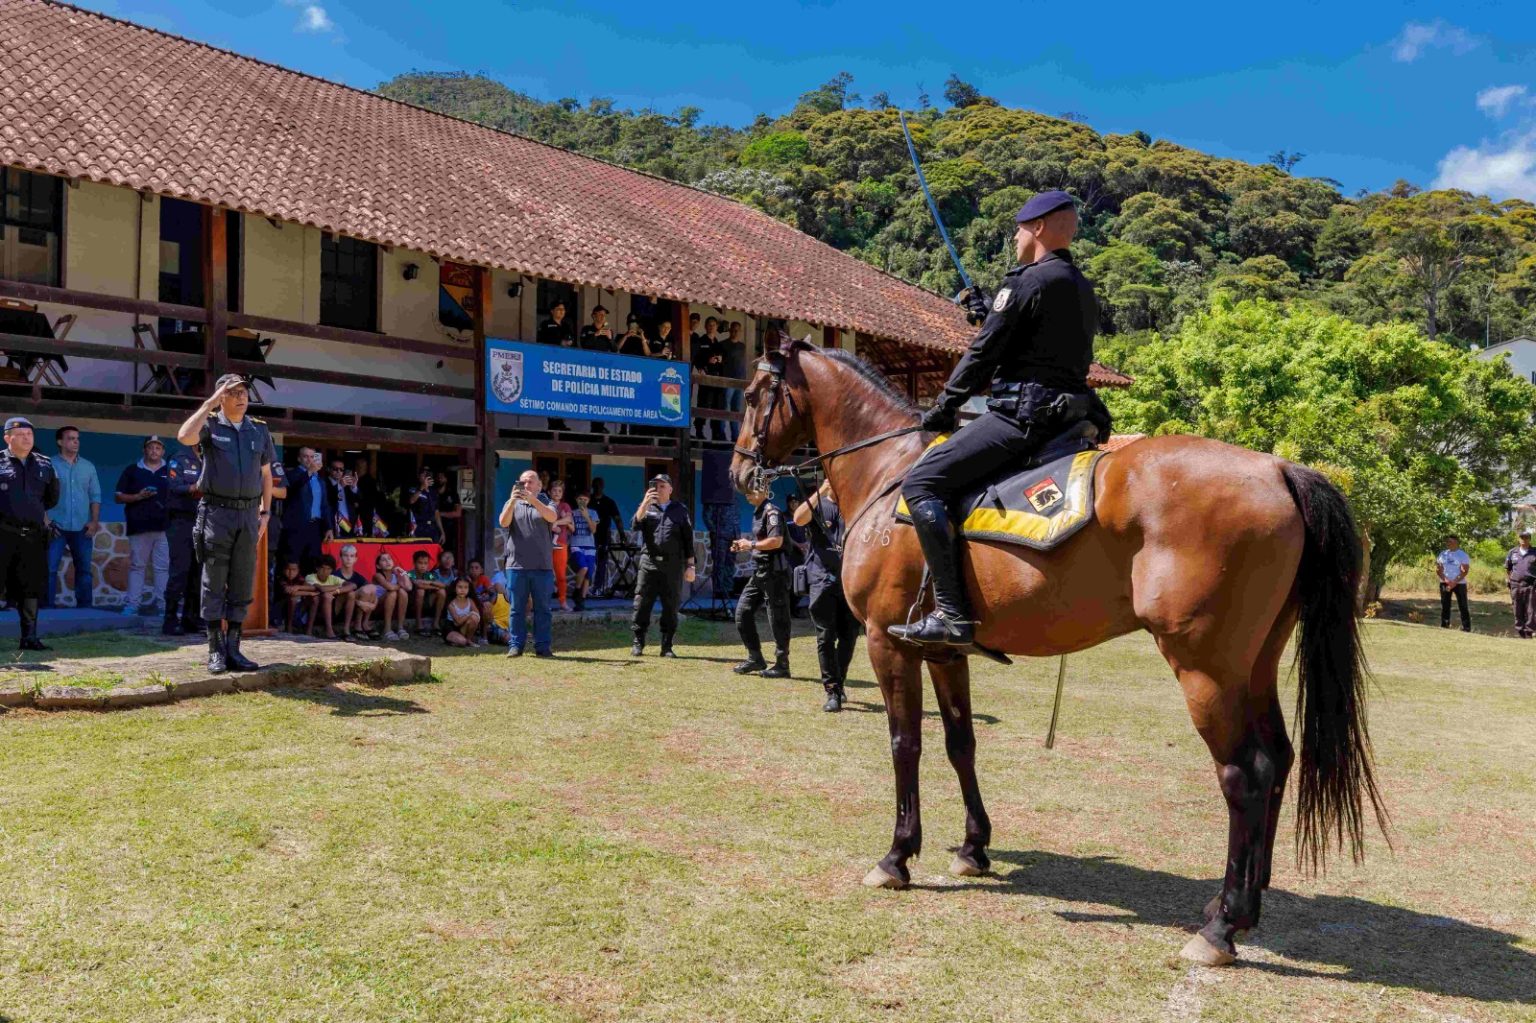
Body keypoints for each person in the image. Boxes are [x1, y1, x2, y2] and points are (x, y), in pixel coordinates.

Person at [893, 190, 1105, 648]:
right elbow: (1040, 343)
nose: (1014, 238)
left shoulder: (1026, 282)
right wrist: (990, 312)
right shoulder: (1080, 286)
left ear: (1038, 228)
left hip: (1021, 417)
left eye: (1019, 229)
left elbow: (983, 354)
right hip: (1067, 415)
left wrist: (944, 406)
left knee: (922, 483)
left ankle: (952, 615)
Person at [176, 373, 276, 674]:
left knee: (243, 580)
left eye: (243, 391)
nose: (241, 397)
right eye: (233, 392)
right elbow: (184, 436)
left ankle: (234, 648)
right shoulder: (209, 424)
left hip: (248, 515)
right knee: (214, 581)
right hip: (216, 514)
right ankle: (215, 650)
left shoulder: (258, 429)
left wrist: (265, 513)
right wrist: (209, 403)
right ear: (221, 397)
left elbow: (266, 475)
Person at [794, 481, 860, 712]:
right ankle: (832, 691)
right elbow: (798, 518)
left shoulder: (853, 505)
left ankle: (839, 682)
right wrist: (821, 490)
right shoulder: (820, 505)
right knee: (826, 637)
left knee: (850, 636)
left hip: (849, 581)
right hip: (821, 579)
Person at [0, 417, 59, 650]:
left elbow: (51, 498)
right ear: (7, 438)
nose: (27, 438)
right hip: (3, 534)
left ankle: (29, 638)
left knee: (30, 586)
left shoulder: (44, 464)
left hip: (32, 537)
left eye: (30, 434)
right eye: (21, 434)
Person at [629, 473, 696, 657]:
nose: (658, 489)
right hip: (649, 563)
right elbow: (634, 525)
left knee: (671, 606)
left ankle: (667, 646)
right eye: (655, 486)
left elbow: (688, 539)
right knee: (642, 603)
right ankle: (638, 642)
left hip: (672, 565)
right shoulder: (647, 507)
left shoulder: (680, 510)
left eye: (662, 486)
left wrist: (691, 565)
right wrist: (645, 503)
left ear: (670, 489)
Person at [732, 488, 792, 678]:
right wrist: (745, 544)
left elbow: (776, 541)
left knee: (778, 619)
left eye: (751, 490)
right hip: (760, 572)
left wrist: (750, 545)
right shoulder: (758, 512)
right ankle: (755, 658)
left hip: (775, 572)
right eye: (745, 491)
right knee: (742, 612)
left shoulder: (772, 512)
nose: (747, 494)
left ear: (764, 491)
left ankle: (782, 665)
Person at [498, 469, 558, 657]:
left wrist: (533, 500)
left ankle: (543, 646)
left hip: (542, 566)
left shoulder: (547, 502)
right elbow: (503, 522)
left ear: (539, 485)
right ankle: (516, 645)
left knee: (543, 609)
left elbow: (552, 517)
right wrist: (512, 501)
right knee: (516, 608)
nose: (526, 485)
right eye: (523, 481)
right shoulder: (512, 502)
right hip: (516, 565)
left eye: (530, 481)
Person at [115, 435, 171, 618]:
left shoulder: (170, 470)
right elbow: (118, 496)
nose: (154, 451)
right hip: (139, 527)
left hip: (165, 528)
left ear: (163, 451)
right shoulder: (132, 470)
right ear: (144, 450)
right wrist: (138, 496)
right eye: (150, 447)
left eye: (158, 448)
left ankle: (163, 607)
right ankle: (132, 606)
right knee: (137, 567)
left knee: (162, 569)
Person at [46, 425, 100, 610]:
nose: (76, 442)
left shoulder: (88, 466)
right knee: (50, 569)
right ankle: (47, 610)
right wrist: (46, 520)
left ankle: (85, 609)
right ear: (60, 442)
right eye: (71, 438)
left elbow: (95, 496)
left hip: (82, 526)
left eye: (77, 439)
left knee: (84, 570)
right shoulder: (49, 465)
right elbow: (39, 495)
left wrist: (94, 521)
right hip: (55, 526)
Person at [162, 441, 203, 635]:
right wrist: (197, 487)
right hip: (181, 521)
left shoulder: (212, 458)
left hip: (204, 521)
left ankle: (191, 618)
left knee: (198, 572)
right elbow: (175, 485)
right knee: (180, 570)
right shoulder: (179, 458)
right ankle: (170, 620)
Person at [279, 447, 332, 575]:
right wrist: (309, 472)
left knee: (312, 566)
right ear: (299, 459)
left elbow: (324, 505)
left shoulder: (320, 480)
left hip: (315, 528)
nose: (309, 460)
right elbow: (294, 486)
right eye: (306, 456)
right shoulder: (291, 474)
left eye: (312, 457)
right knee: (292, 565)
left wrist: (329, 527)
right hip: (296, 528)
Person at [336, 542, 380, 640]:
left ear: (356, 559)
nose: (348, 559)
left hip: (357, 608)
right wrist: (360, 603)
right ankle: (353, 627)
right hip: (340, 609)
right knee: (354, 592)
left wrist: (374, 605)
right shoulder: (335, 575)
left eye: (352, 556)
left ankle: (363, 624)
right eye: (345, 555)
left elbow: (373, 591)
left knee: (370, 588)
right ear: (340, 557)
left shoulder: (358, 577)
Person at [692, 316, 725, 440]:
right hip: (705, 377)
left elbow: (724, 361)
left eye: (713, 325)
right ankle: (699, 431)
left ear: (716, 327)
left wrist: (720, 360)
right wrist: (704, 364)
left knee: (717, 405)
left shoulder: (718, 344)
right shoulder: (700, 341)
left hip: (717, 378)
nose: (711, 327)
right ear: (705, 326)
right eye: (709, 325)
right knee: (704, 404)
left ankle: (715, 433)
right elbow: (695, 358)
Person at [590, 477, 623, 595]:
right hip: (589, 535)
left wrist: (622, 535)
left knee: (601, 562)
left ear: (603, 486)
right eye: (596, 485)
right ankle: (586, 588)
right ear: (592, 486)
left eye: (600, 485)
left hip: (604, 536)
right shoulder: (588, 501)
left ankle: (598, 588)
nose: (598, 487)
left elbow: (617, 519)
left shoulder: (609, 502)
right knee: (589, 561)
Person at [303, 554, 347, 638]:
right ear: (317, 568)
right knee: (318, 597)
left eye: (328, 569)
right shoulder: (310, 577)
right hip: (310, 608)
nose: (325, 571)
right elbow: (322, 589)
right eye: (322, 568)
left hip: (329, 609)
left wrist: (337, 591)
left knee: (350, 594)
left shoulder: (333, 578)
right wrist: (338, 586)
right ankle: (310, 630)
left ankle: (345, 629)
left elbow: (353, 585)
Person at [373, 550, 413, 641]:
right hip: (377, 606)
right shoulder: (378, 575)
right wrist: (400, 586)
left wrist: (402, 572)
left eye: (389, 559)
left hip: (392, 606)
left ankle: (400, 627)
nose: (387, 561)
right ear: (378, 566)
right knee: (393, 592)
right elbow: (390, 587)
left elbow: (409, 587)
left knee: (402, 592)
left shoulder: (396, 575)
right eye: (384, 560)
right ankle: (387, 629)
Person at [1436, 535, 1472, 633]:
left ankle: (1466, 628)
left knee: (1463, 605)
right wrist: (1446, 580)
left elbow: (1465, 571)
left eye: (1450, 542)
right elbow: (1438, 570)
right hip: (1445, 583)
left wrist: (1455, 581)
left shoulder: (1462, 555)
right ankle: (1445, 625)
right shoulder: (1442, 554)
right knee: (1445, 604)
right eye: (1447, 542)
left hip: (1459, 584)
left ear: (1456, 543)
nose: (1448, 543)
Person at [569, 490, 598, 612]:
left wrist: (586, 516)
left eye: (585, 500)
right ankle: (577, 590)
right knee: (583, 567)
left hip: (590, 546)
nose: (582, 501)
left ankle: (581, 600)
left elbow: (593, 530)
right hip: (576, 544)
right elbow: (571, 529)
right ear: (576, 500)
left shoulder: (593, 513)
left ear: (588, 501)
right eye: (580, 499)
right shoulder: (572, 512)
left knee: (588, 573)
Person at [549, 479, 574, 611]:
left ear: (562, 493)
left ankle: (563, 601)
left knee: (561, 575)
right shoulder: (546, 504)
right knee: (545, 574)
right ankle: (544, 602)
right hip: (545, 543)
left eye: (560, 491)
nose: (557, 493)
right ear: (549, 492)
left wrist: (556, 522)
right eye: (554, 490)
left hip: (560, 543)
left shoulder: (565, 506)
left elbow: (569, 519)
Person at [721, 321, 748, 441]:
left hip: (739, 381)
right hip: (727, 380)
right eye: (733, 330)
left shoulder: (742, 346)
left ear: (740, 332)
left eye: (737, 330)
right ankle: (721, 434)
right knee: (725, 407)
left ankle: (735, 435)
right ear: (730, 330)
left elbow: (743, 364)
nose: (735, 332)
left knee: (736, 409)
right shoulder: (723, 344)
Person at [408, 549, 447, 633]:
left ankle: (436, 623)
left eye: (425, 563)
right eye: (420, 563)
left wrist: (429, 582)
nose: (423, 566)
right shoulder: (410, 573)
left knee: (442, 592)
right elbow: (419, 585)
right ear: (414, 563)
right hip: (413, 603)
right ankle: (419, 624)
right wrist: (434, 587)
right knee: (420, 591)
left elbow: (443, 585)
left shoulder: (429, 574)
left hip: (427, 602)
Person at [1507, 530, 1536, 638]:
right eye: (1522, 537)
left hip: (1531, 585)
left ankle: (1529, 631)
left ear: (1529, 539)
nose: (1524, 540)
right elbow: (1508, 568)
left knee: (1530, 609)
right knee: (1517, 608)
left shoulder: (1534, 552)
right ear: (1519, 539)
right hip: (1515, 584)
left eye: (1526, 537)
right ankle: (1520, 631)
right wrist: (1510, 580)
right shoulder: (1512, 552)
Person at [276, 559, 315, 633]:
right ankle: (289, 625)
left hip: (299, 607)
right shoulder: (281, 579)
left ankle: (307, 628)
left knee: (314, 599)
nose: (291, 572)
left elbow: (313, 588)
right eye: (288, 569)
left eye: (294, 570)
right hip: (283, 607)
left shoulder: (301, 578)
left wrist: (299, 587)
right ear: (284, 570)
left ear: (298, 570)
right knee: (293, 599)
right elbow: (291, 592)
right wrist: (309, 593)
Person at [443, 578, 481, 647]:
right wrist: (469, 614)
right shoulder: (451, 603)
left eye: (466, 587)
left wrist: (470, 617)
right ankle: (455, 640)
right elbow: (457, 622)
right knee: (462, 642)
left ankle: (469, 640)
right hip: (451, 627)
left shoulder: (470, 601)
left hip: (463, 626)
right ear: (454, 588)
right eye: (460, 587)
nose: (463, 590)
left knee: (474, 618)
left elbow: (477, 615)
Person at [406, 468, 442, 542]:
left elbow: (436, 512)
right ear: (419, 476)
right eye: (423, 474)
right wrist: (422, 487)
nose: (426, 476)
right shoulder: (414, 489)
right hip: (418, 526)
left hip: (432, 527)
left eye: (427, 474)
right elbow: (411, 501)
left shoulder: (433, 492)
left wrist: (442, 531)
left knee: (433, 548)